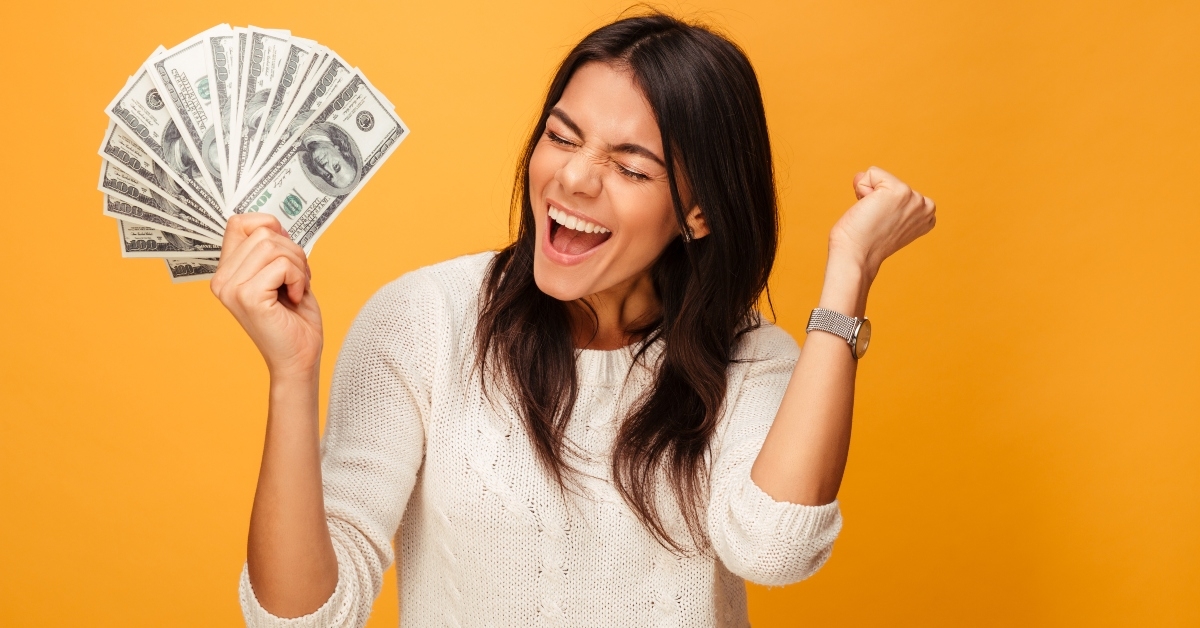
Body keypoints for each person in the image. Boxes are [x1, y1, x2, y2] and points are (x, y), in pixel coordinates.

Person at [212, 13, 935, 627]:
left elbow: (777, 550)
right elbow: (303, 617)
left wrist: (850, 271)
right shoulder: (423, 320)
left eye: (631, 167)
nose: (574, 178)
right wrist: (291, 374)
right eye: (561, 137)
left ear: (699, 211)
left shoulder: (751, 361)